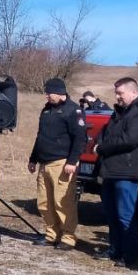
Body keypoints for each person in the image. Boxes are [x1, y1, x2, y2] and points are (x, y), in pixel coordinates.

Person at [94, 77, 138, 267]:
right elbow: (106, 132)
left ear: (133, 92)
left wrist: (103, 148)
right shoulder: (120, 112)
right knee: (111, 213)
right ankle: (115, 249)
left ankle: (130, 254)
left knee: (125, 214)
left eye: (120, 93)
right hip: (111, 169)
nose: (117, 97)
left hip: (128, 171)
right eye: (116, 93)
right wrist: (100, 142)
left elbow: (130, 139)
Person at [28, 77, 87, 248]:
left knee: (63, 202)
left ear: (60, 92)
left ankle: (68, 237)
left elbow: (80, 139)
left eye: (49, 93)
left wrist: (72, 161)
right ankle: (51, 234)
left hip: (62, 163)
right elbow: (40, 137)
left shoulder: (73, 111)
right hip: (44, 163)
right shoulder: (46, 110)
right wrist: (33, 159)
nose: (47, 96)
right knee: (44, 202)